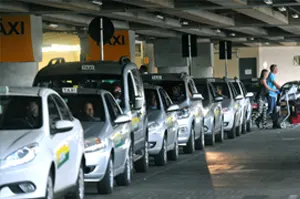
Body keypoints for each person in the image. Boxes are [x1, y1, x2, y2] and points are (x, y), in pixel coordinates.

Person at [266, 64, 281, 128]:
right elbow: (274, 83)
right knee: (270, 109)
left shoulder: (273, 75)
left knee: (274, 110)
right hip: (270, 94)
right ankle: (260, 119)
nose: (277, 70)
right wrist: (280, 88)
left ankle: (275, 124)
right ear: (274, 69)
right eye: (276, 68)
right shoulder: (271, 75)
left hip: (273, 94)